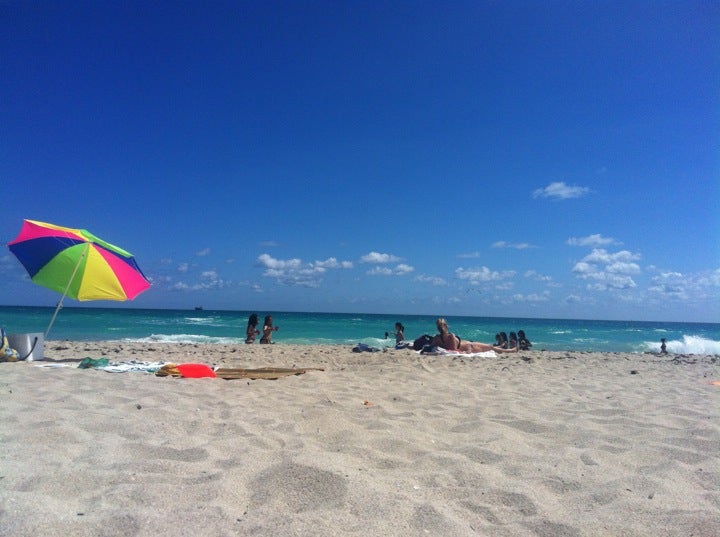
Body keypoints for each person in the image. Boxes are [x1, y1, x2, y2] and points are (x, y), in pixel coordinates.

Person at [431, 318, 517, 354]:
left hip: (469, 345)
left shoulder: (436, 338)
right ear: (446, 326)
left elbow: (431, 348)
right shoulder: (451, 336)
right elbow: (454, 350)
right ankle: (509, 350)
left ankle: (506, 349)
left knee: (491, 347)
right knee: (490, 347)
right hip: (470, 346)